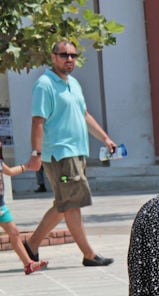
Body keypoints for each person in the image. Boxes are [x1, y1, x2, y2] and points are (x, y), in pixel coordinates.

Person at [22, 39, 116, 268]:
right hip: (60, 154)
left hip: (77, 152)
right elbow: (38, 120)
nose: (69, 59)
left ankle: (31, 245)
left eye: (73, 55)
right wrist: (36, 152)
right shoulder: (44, 85)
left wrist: (104, 137)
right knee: (71, 203)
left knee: (64, 202)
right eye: (64, 55)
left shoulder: (73, 83)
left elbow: (84, 114)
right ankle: (89, 254)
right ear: (53, 57)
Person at [1, 149, 48, 274]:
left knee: (15, 233)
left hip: (1, 207)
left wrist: (26, 166)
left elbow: (10, 171)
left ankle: (28, 264)